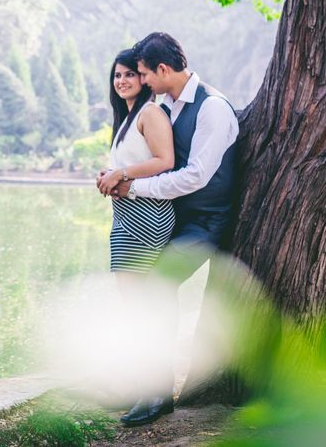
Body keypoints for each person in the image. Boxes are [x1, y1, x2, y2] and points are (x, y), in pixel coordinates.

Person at [108, 32, 239, 428]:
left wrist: (134, 186)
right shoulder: (166, 105)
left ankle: (159, 392)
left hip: (205, 222)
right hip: (172, 220)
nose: (142, 80)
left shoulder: (213, 108)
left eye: (145, 73)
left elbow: (197, 176)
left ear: (163, 70)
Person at [96, 48, 175, 278]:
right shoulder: (127, 119)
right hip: (126, 214)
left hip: (146, 215)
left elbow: (165, 160)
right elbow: (133, 162)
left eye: (129, 74)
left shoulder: (149, 113)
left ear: (143, 77)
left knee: (134, 300)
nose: (121, 81)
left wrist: (119, 174)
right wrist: (107, 176)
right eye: (117, 75)